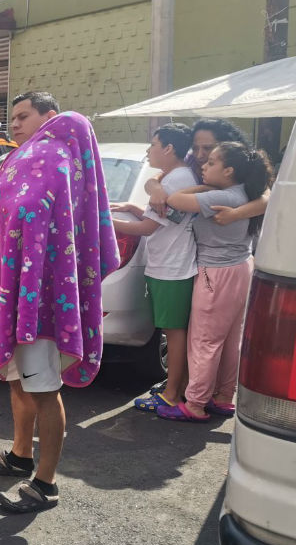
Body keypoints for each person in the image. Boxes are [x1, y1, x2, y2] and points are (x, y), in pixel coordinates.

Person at [0, 104, 120, 514]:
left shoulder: (56, 159)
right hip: (16, 292)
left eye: (23, 115)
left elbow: (34, 218)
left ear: (48, 116)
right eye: (11, 116)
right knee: (17, 380)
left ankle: (46, 483)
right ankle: (19, 455)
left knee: (44, 389)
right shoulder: (23, 158)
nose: (14, 123)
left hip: (44, 301)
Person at [157, 142, 271, 422]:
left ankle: (194, 403)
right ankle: (222, 397)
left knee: (205, 340)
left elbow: (173, 200)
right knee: (230, 339)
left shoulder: (223, 197)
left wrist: (201, 189)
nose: (204, 166)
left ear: (229, 170)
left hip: (216, 274)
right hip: (241, 268)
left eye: (211, 163)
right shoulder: (246, 192)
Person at [111, 123, 198, 412]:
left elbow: (147, 228)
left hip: (173, 269)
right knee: (172, 331)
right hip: (167, 265)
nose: (149, 150)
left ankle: (172, 394)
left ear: (169, 148)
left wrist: (103, 221)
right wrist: (132, 208)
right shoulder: (170, 177)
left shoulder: (176, 181)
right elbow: (157, 218)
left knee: (174, 332)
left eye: (153, 144)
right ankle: (177, 386)